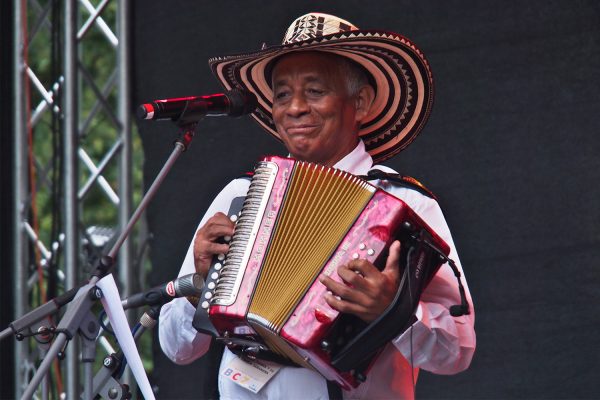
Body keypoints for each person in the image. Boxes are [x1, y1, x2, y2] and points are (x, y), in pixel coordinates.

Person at [159, 12, 476, 399]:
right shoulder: (239, 196)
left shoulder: (405, 204)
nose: (294, 108)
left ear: (359, 103)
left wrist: (395, 314)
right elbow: (176, 348)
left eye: (314, 91)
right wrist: (199, 286)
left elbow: (457, 350)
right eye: (281, 95)